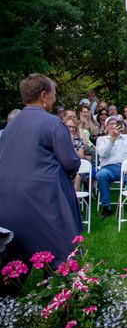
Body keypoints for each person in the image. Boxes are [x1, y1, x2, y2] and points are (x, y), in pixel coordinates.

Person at [0, 74, 81, 268]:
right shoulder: (52, 123)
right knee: (63, 251)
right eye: (54, 93)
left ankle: (10, 291)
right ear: (44, 95)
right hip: (46, 198)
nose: (54, 98)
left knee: (15, 257)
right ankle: (65, 289)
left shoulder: (10, 126)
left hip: (9, 199)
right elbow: (71, 162)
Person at [95, 116, 127, 219]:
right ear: (106, 127)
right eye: (111, 124)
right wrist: (112, 139)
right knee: (101, 175)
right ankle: (106, 207)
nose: (113, 126)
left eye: (115, 124)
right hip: (109, 168)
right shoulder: (101, 139)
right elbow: (103, 154)